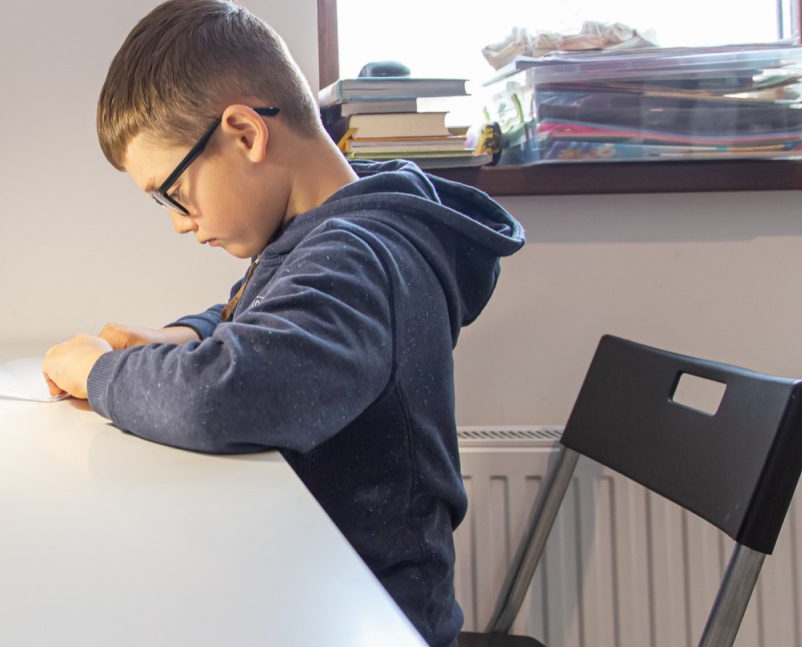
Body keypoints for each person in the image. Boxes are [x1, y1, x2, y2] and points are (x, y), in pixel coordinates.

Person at [39, 1, 526, 644]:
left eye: (173, 193)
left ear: (244, 133)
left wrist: (97, 369)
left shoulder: (356, 252)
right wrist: (191, 333)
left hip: (361, 614)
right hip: (314, 582)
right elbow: (271, 315)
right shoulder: (330, 234)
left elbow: (230, 396)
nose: (178, 221)